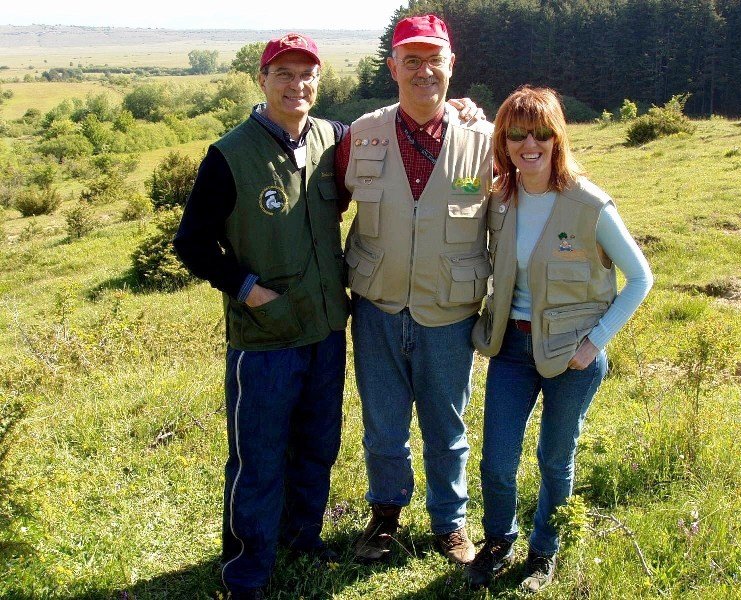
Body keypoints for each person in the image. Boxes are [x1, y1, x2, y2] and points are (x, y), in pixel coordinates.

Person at [173, 33, 349, 600]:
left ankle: (303, 537)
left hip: (325, 327)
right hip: (266, 338)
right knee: (258, 457)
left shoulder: (332, 138)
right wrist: (248, 291)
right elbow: (192, 243)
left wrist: (458, 108)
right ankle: (248, 569)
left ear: (318, 82)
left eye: (306, 75)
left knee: (320, 444)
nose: (296, 85)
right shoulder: (230, 155)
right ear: (262, 80)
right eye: (284, 74)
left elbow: (391, 130)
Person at [466, 86, 653, 592]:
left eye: (542, 134)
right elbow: (455, 189)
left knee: (555, 457)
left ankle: (544, 549)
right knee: (498, 460)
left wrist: (595, 343)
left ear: (557, 137)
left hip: (572, 354)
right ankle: (498, 542)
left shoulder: (589, 204)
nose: (531, 144)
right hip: (510, 349)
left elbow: (641, 278)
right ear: (502, 141)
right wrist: (464, 115)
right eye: (517, 134)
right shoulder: (499, 199)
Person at [335, 14, 494, 565]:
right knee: (382, 425)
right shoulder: (362, 133)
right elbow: (320, 203)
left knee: (447, 427)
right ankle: (384, 517)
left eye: (434, 59)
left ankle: (450, 524)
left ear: (451, 66)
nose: (423, 70)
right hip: (377, 306)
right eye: (411, 60)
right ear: (392, 67)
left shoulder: (486, 141)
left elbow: (513, 222)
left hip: (449, 310)